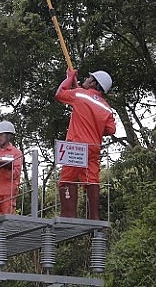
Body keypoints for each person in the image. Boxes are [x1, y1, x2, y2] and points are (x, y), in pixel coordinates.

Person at [55, 69, 116, 220]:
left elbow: (60, 93)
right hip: (94, 148)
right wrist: (94, 126)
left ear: (94, 83)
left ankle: (68, 216)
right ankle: (94, 218)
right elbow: (111, 129)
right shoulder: (106, 107)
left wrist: (69, 78)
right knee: (92, 181)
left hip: (76, 146)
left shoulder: (80, 94)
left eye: (89, 78)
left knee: (67, 179)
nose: (86, 79)